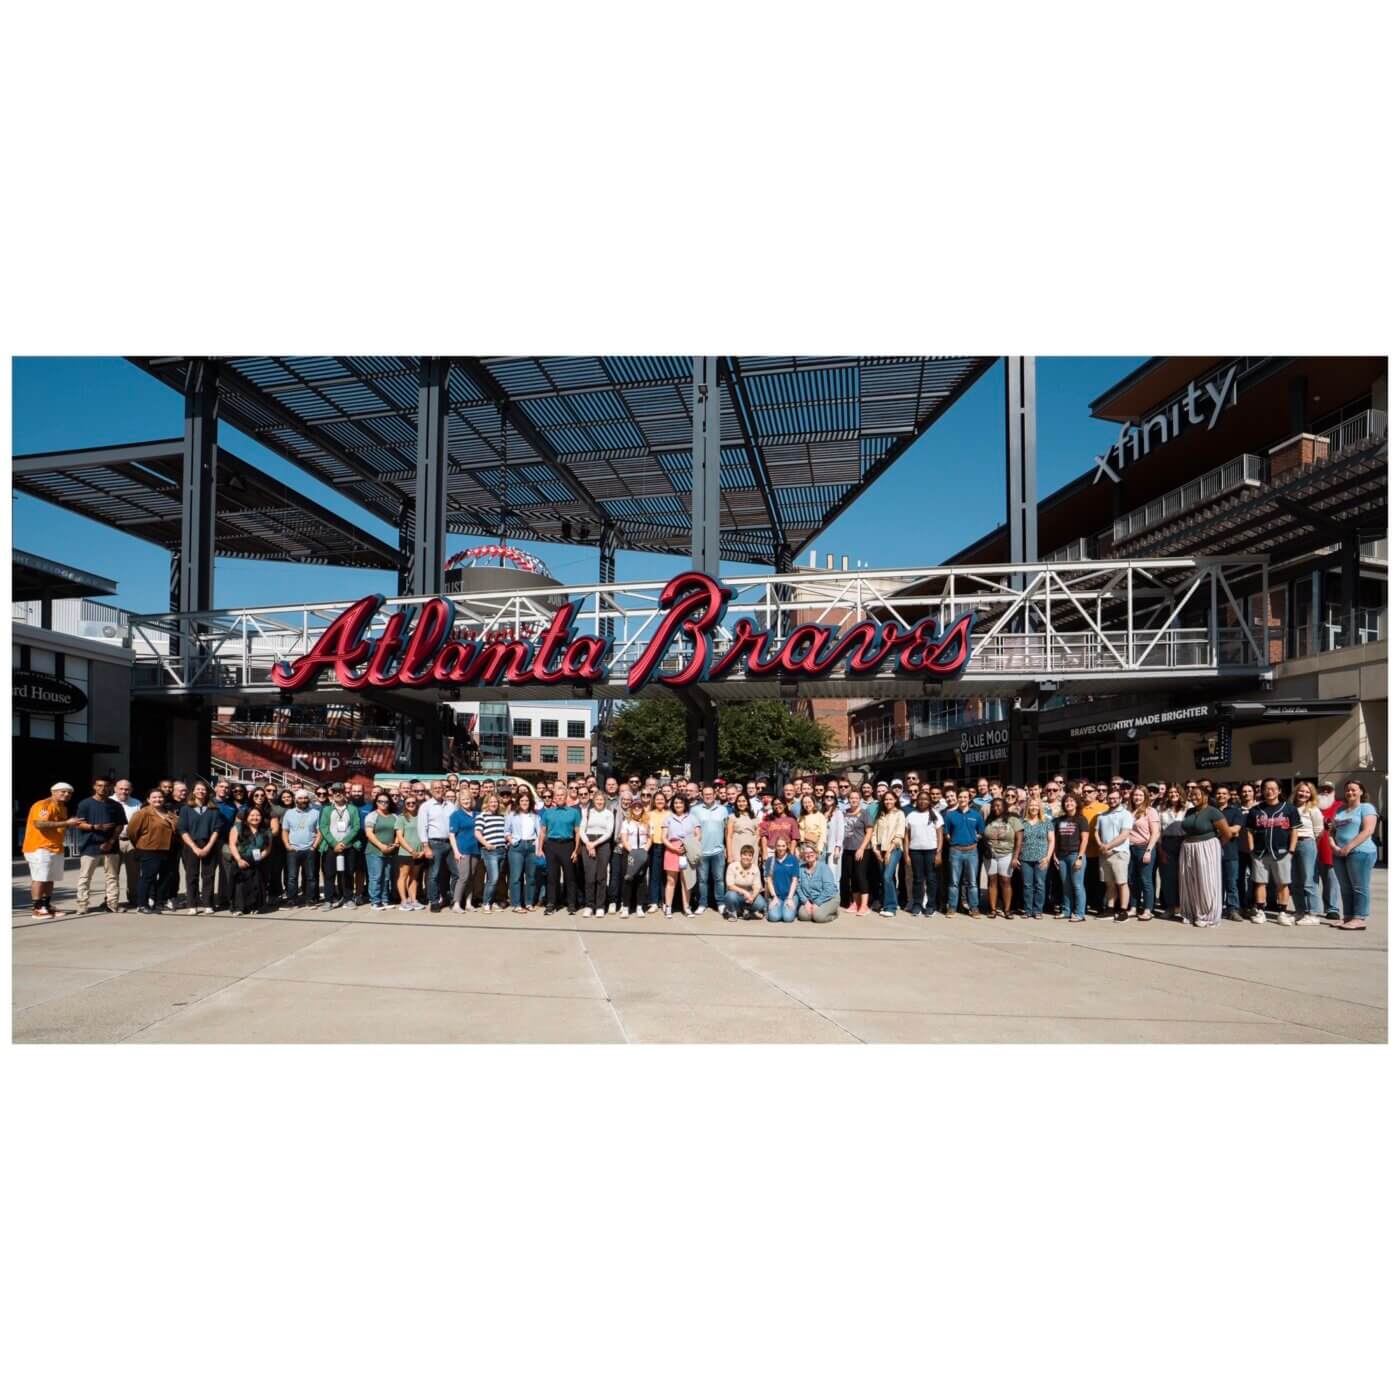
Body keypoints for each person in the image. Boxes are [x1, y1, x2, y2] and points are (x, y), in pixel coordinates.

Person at [1178, 782, 1233, 927]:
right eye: (1191, 795)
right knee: (1189, 882)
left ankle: (1207, 915)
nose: (1193, 797)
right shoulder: (1190, 811)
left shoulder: (1213, 812)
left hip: (1206, 848)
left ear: (1206, 796)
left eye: (1197, 795)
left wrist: (1214, 847)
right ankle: (1192, 913)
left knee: (1206, 882)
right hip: (1188, 849)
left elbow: (1227, 833)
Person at [1245, 779, 1299, 926]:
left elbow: (1294, 831)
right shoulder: (1255, 810)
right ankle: (1260, 911)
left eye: (1273, 788)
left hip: (1282, 852)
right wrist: (1251, 849)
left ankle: (1282, 913)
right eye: (1266, 788)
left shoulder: (1289, 809)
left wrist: (1291, 851)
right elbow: (1249, 831)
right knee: (1260, 882)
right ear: (1262, 791)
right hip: (1260, 853)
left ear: (1279, 790)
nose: (1270, 791)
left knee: (1283, 883)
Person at [1327, 781, 1378, 931]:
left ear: (1361, 792)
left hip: (1360, 852)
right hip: (1339, 853)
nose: (1350, 793)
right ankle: (1348, 916)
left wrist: (1348, 847)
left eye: (1354, 790)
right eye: (1347, 790)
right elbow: (1331, 831)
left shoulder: (1366, 808)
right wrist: (1334, 847)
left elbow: (1368, 830)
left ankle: (1359, 918)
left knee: (1359, 886)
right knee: (1345, 887)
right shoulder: (1340, 810)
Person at [23, 781, 79, 919]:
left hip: (56, 847)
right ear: (53, 792)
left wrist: (71, 824)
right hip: (39, 847)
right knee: (39, 878)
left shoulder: (63, 807)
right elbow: (40, 824)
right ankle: (36, 908)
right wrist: (66, 822)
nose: (66, 794)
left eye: (69, 793)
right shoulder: (43, 805)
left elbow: (59, 826)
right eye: (63, 791)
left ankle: (46, 905)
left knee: (50, 878)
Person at [74, 776, 125, 915]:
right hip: (90, 846)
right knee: (85, 877)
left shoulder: (116, 805)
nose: (103, 788)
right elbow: (79, 823)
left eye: (106, 786)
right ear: (94, 787)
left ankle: (112, 904)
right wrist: (94, 827)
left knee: (112, 877)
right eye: (99, 785)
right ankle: (82, 904)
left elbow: (120, 825)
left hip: (111, 847)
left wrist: (111, 841)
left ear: (111, 788)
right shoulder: (85, 804)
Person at [125, 789, 178, 914]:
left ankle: (159, 903)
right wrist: (141, 843)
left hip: (168, 850)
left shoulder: (169, 813)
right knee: (148, 878)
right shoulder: (143, 813)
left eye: (160, 797)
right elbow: (132, 831)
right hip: (149, 849)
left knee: (166, 877)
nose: (157, 799)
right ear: (148, 800)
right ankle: (142, 904)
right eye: (154, 797)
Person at [176, 780, 223, 915]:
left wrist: (208, 846)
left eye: (203, 789)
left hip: (209, 844)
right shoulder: (186, 809)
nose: (201, 791)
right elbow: (182, 830)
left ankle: (208, 903)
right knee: (192, 876)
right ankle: (192, 904)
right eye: (198, 789)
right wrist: (194, 847)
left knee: (209, 876)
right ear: (193, 791)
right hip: (191, 845)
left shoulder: (214, 809)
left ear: (207, 792)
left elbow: (217, 829)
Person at [942, 788, 985, 918]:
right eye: (960, 797)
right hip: (955, 851)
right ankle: (952, 908)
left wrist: (974, 839)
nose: (962, 799)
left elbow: (981, 832)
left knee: (972, 882)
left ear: (969, 798)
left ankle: (974, 908)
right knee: (954, 882)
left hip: (972, 851)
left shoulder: (976, 815)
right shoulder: (950, 815)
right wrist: (954, 841)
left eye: (965, 797)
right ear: (957, 798)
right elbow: (946, 833)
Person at [865, 789, 907, 919]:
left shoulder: (899, 814)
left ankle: (891, 907)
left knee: (887, 876)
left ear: (895, 800)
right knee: (886, 878)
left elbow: (899, 835)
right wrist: (875, 849)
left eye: (890, 799)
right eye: (886, 799)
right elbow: (874, 833)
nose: (888, 801)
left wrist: (889, 851)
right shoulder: (881, 815)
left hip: (894, 848)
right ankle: (888, 902)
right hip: (880, 849)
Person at [541, 783, 581, 915]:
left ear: (566, 796)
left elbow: (577, 832)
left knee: (570, 876)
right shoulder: (548, 813)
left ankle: (571, 903)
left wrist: (576, 850)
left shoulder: (574, 812)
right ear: (554, 797)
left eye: (562, 795)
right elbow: (542, 832)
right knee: (552, 876)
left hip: (567, 845)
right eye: (557, 795)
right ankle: (551, 903)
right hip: (551, 846)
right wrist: (540, 849)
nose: (559, 797)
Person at [1094, 787, 1134, 922]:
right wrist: (1101, 846)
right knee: (1109, 883)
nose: (1112, 800)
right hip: (1104, 854)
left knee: (1122, 882)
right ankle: (1110, 909)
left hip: (1119, 852)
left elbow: (1124, 835)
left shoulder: (1126, 814)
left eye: (1115, 798)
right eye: (1110, 798)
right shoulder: (1102, 815)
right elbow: (1096, 832)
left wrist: (1109, 846)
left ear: (1120, 799)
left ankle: (1123, 911)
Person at [318, 786, 362, 909]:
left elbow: (356, 827)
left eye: (341, 791)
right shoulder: (327, 809)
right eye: (335, 792)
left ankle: (348, 899)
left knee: (348, 873)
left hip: (349, 846)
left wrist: (344, 842)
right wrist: (334, 844)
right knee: (329, 874)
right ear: (332, 794)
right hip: (331, 847)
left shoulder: (352, 809)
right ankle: (329, 900)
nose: (338, 794)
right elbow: (323, 827)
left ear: (345, 793)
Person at [417, 780, 457, 913]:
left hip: (450, 843)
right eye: (435, 788)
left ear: (444, 789)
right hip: (434, 844)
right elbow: (422, 827)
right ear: (431, 790)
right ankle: (434, 901)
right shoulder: (426, 806)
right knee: (434, 874)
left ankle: (451, 897)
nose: (438, 790)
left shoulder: (450, 805)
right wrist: (426, 846)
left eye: (440, 787)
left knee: (456, 873)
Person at [982, 796, 1023, 920]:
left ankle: (1007, 910)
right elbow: (984, 836)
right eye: (993, 806)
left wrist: (1015, 857)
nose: (996, 808)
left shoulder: (1013, 819)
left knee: (1005, 881)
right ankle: (993, 909)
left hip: (1007, 854)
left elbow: (1019, 840)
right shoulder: (989, 820)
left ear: (1004, 806)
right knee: (992, 882)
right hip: (990, 856)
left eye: (999, 806)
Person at [1290, 782, 1324, 926]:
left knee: (1308, 880)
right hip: (1291, 845)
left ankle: (1313, 914)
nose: (1304, 794)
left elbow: (1319, 830)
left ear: (1311, 795)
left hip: (1306, 843)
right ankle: (1300, 911)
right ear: (1296, 792)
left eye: (1307, 792)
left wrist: (1310, 843)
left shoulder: (1313, 809)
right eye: (1301, 791)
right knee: (1295, 880)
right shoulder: (1290, 808)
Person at [691, 784, 728, 914]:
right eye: (705, 794)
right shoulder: (695, 810)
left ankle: (721, 903)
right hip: (702, 851)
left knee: (719, 879)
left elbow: (726, 830)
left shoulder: (723, 810)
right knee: (702, 880)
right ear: (701, 795)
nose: (708, 796)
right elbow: (692, 830)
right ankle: (702, 904)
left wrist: (726, 848)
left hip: (718, 850)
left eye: (710, 794)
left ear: (715, 795)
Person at [229, 805, 273, 915]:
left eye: (258, 815)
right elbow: (232, 845)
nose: (255, 818)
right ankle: (239, 908)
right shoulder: (238, 827)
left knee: (256, 884)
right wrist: (239, 860)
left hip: (257, 860)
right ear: (247, 817)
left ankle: (254, 907)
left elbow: (267, 848)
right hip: (241, 859)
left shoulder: (266, 830)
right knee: (240, 885)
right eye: (252, 815)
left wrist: (259, 858)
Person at [1125, 786, 1161, 921]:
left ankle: (1148, 909)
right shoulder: (1129, 811)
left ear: (1145, 797)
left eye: (1140, 795)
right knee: (1132, 880)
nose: (1137, 797)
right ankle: (1134, 907)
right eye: (1135, 795)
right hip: (1130, 848)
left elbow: (1156, 833)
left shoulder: (1150, 811)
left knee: (1146, 880)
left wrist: (1149, 851)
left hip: (1144, 848)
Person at [281, 790, 321, 907]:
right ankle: (292, 899)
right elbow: (285, 830)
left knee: (311, 876)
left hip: (309, 849)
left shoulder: (315, 813)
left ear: (308, 799)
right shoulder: (289, 813)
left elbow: (319, 831)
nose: (303, 800)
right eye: (300, 798)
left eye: (305, 798)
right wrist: (287, 845)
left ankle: (310, 899)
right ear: (295, 800)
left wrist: (314, 846)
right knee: (292, 877)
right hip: (293, 850)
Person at [905, 790, 942, 917]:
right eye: (920, 799)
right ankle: (917, 904)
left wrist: (938, 853)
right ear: (917, 800)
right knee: (917, 879)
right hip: (915, 851)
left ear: (929, 801)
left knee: (931, 879)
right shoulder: (911, 815)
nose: (923, 801)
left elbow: (940, 835)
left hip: (931, 851)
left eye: (926, 799)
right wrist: (906, 854)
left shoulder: (936, 815)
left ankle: (931, 905)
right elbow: (907, 837)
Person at [1053, 792, 1090, 922]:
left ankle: (1080, 913)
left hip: (1075, 855)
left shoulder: (1081, 819)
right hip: (1062, 856)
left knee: (1077, 885)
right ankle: (1066, 910)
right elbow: (1056, 839)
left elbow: (1085, 840)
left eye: (1071, 801)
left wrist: (1080, 857)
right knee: (1065, 885)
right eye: (1066, 801)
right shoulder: (1060, 820)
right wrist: (1055, 855)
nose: (1069, 803)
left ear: (1076, 803)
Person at [579, 790, 615, 918]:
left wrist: (595, 844)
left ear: (605, 801)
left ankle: (600, 906)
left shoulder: (609, 814)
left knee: (601, 876)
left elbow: (609, 832)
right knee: (589, 876)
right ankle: (589, 905)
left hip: (603, 844)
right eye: (597, 799)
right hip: (588, 842)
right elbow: (582, 830)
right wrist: (588, 844)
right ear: (593, 801)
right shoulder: (588, 813)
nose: (599, 802)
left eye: (602, 800)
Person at [363, 793, 400, 911]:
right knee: (376, 877)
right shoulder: (372, 816)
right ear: (376, 802)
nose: (383, 803)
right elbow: (369, 833)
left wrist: (394, 844)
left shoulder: (394, 816)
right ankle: (375, 901)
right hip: (374, 851)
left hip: (390, 851)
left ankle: (385, 900)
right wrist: (381, 846)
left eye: (386, 801)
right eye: (380, 801)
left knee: (386, 877)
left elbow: (398, 833)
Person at [505, 790, 540, 913]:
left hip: (531, 847)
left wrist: (537, 844)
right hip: (517, 847)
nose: (524, 803)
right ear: (518, 802)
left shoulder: (535, 816)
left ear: (530, 802)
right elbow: (506, 831)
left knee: (531, 877)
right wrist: (512, 841)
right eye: (522, 800)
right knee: (516, 877)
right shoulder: (512, 815)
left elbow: (540, 832)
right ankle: (516, 904)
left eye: (527, 800)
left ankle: (529, 903)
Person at [1018, 796, 1053, 919]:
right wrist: (1016, 857)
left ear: (1040, 808)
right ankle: (1028, 910)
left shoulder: (1046, 822)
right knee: (1027, 885)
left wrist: (1048, 857)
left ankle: (1038, 910)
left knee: (1040, 885)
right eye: (1031, 805)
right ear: (1028, 807)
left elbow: (1051, 841)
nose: (1034, 808)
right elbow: (1018, 841)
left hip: (1041, 858)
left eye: (1036, 805)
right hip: (1025, 858)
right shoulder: (1022, 823)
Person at [1157, 784, 1188, 920]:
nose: (1173, 794)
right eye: (1170, 792)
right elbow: (1158, 831)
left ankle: (1184, 907)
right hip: (1167, 844)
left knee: (1185, 877)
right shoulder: (1162, 809)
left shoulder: (1189, 808)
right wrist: (1160, 850)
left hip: (1184, 843)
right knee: (1168, 878)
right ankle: (1170, 907)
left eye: (1176, 792)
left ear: (1181, 794)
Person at [112, 778, 143, 910]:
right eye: (121, 788)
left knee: (134, 872)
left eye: (127, 789)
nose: (124, 791)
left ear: (131, 790)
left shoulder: (136, 803)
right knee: (113, 873)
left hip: (132, 841)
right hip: (114, 840)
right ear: (115, 789)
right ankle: (111, 900)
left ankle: (134, 899)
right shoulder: (109, 802)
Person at [661, 793, 694, 919]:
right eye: (675, 803)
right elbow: (664, 837)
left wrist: (688, 846)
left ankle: (686, 907)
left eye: (680, 803)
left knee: (686, 881)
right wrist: (673, 848)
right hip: (672, 850)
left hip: (687, 850)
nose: (678, 805)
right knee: (671, 880)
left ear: (685, 804)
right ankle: (668, 907)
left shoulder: (692, 818)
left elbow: (698, 835)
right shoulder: (668, 819)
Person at [617, 800, 651, 917]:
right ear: (631, 809)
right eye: (634, 807)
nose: (637, 808)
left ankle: (639, 906)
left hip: (642, 853)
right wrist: (632, 852)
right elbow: (624, 839)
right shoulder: (626, 822)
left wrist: (644, 851)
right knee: (628, 879)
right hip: (629, 853)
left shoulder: (647, 822)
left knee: (641, 880)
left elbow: (650, 838)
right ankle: (626, 906)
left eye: (639, 807)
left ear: (642, 809)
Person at [1315, 781, 1343, 919]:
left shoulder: (1340, 806)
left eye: (1329, 789)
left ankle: (1332, 908)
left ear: (1334, 792)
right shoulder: (1311, 805)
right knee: (1310, 881)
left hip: (1329, 849)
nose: (1325, 791)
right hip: (1310, 848)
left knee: (1331, 881)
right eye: (1322, 789)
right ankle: (1311, 908)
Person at [395, 795, 428, 911]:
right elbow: (400, 837)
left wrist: (422, 851)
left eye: (413, 802)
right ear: (405, 805)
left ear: (417, 803)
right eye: (408, 803)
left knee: (414, 877)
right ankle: (404, 901)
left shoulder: (421, 817)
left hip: (419, 853)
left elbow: (426, 833)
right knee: (403, 876)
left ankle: (413, 900)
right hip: (405, 852)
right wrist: (411, 850)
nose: (411, 805)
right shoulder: (401, 818)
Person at [474, 792, 506, 911]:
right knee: (493, 878)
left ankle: (493, 901)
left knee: (497, 879)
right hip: (490, 851)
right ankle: (486, 902)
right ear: (487, 803)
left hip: (502, 850)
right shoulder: (482, 816)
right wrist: (486, 844)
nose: (494, 804)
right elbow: (477, 833)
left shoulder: (501, 816)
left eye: (495, 802)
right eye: (491, 802)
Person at [840, 793, 871, 915]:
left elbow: (869, 832)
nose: (854, 800)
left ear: (860, 800)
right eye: (851, 798)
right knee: (852, 876)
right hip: (847, 849)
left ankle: (864, 905)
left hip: (861, 849)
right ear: (848, 799)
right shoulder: (844, 813)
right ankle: (855, 902)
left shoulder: (865, 813)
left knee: (860, 875)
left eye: (856, 798)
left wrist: (862, 848)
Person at [449, 791, 480, 913]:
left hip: (475, 849)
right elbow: (452, 835)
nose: (466, 801)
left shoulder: (477, 814)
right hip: (462, 849)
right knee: (463, 877)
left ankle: (468, 903)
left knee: (472, 877)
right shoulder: (456, 815)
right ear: (460, 802)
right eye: (463, 799)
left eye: (468, 799)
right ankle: (456, 903)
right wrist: (456, 852)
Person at [795, 841, 840, 923]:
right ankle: (818, 911)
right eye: (806, 853)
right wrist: (806, 902)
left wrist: (817, 903)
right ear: (803, 855)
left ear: (816, 854)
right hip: (811, 900)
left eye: (811, 852)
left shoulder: (824, 867)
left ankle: (834, 914)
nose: (809, 855)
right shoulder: (800, 868)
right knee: (803, 915)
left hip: (829, 898)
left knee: (818, 917)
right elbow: (797, 886)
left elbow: (829, 889)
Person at [722, 843, 766, 920]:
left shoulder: (755, 868)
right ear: (741, 855)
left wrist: (752, 897)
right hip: (736, 894)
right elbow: (730, 885)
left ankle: (746, 910)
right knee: (730, 896)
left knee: (761, 903)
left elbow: (757, 886)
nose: (747, 857)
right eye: (744, 855)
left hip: (749, 895)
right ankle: (732, 913)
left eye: (749, 855)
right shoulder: (732, 866)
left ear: (752, 857)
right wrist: (745, 892)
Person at [764, 836, 800, 923]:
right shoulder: (770, 860)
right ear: (775, 847)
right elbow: (769, 881)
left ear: (787, 846)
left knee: (787, 918)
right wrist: (774, 897)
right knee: (774, 917)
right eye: (778, 846)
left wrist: (790, 898)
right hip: (777, 896)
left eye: (783, 846)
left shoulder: (793, 859)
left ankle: (787, 909)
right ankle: (779, 908)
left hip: (790, 895)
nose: (781, 848)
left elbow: (794, 880)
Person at [646, 791, 669, 914]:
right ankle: (654, 901)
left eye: (662, 799)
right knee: (654, 875)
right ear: (654, 801)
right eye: (657, 799)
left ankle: (664, 901)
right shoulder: (649, 814)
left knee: (665, 876)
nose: (660, 801)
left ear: (665, 801)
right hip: (654, 846)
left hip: (667, 846)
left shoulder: (669, 814)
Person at [758, 795, 800, 863]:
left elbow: (794, 838)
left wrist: (791, 854)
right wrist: (765, 852)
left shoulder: (791, 820)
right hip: (771, 850)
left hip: (786, 850)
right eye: (775, 804)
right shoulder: (768, 819)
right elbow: (764, 836)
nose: (777, 806)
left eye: (780, 804)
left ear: (785, 805)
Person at [725, 791, 760, 865]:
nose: (741, 803)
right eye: (739, 801)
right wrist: (729, 855)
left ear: (747, 802)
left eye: (744, 801)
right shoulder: (732, 817)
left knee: (751, 870)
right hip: (737, 847)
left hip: (752, 847)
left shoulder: (754, 817)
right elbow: (729, 836)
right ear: (736, 803)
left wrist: (758, 850)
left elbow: (758, 835)